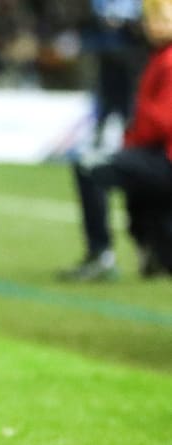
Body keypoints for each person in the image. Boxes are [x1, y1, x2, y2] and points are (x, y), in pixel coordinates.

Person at [59, 0, 172, 281]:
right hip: (159, 155)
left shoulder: (168, 61)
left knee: (90, 167)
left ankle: (101, 255)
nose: (152, 26)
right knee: (136, 180)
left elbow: (161, 121)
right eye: (151, 20)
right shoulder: (158, 56)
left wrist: (131, 140)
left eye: (160, 20)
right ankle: (156, 254)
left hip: (165, 156)